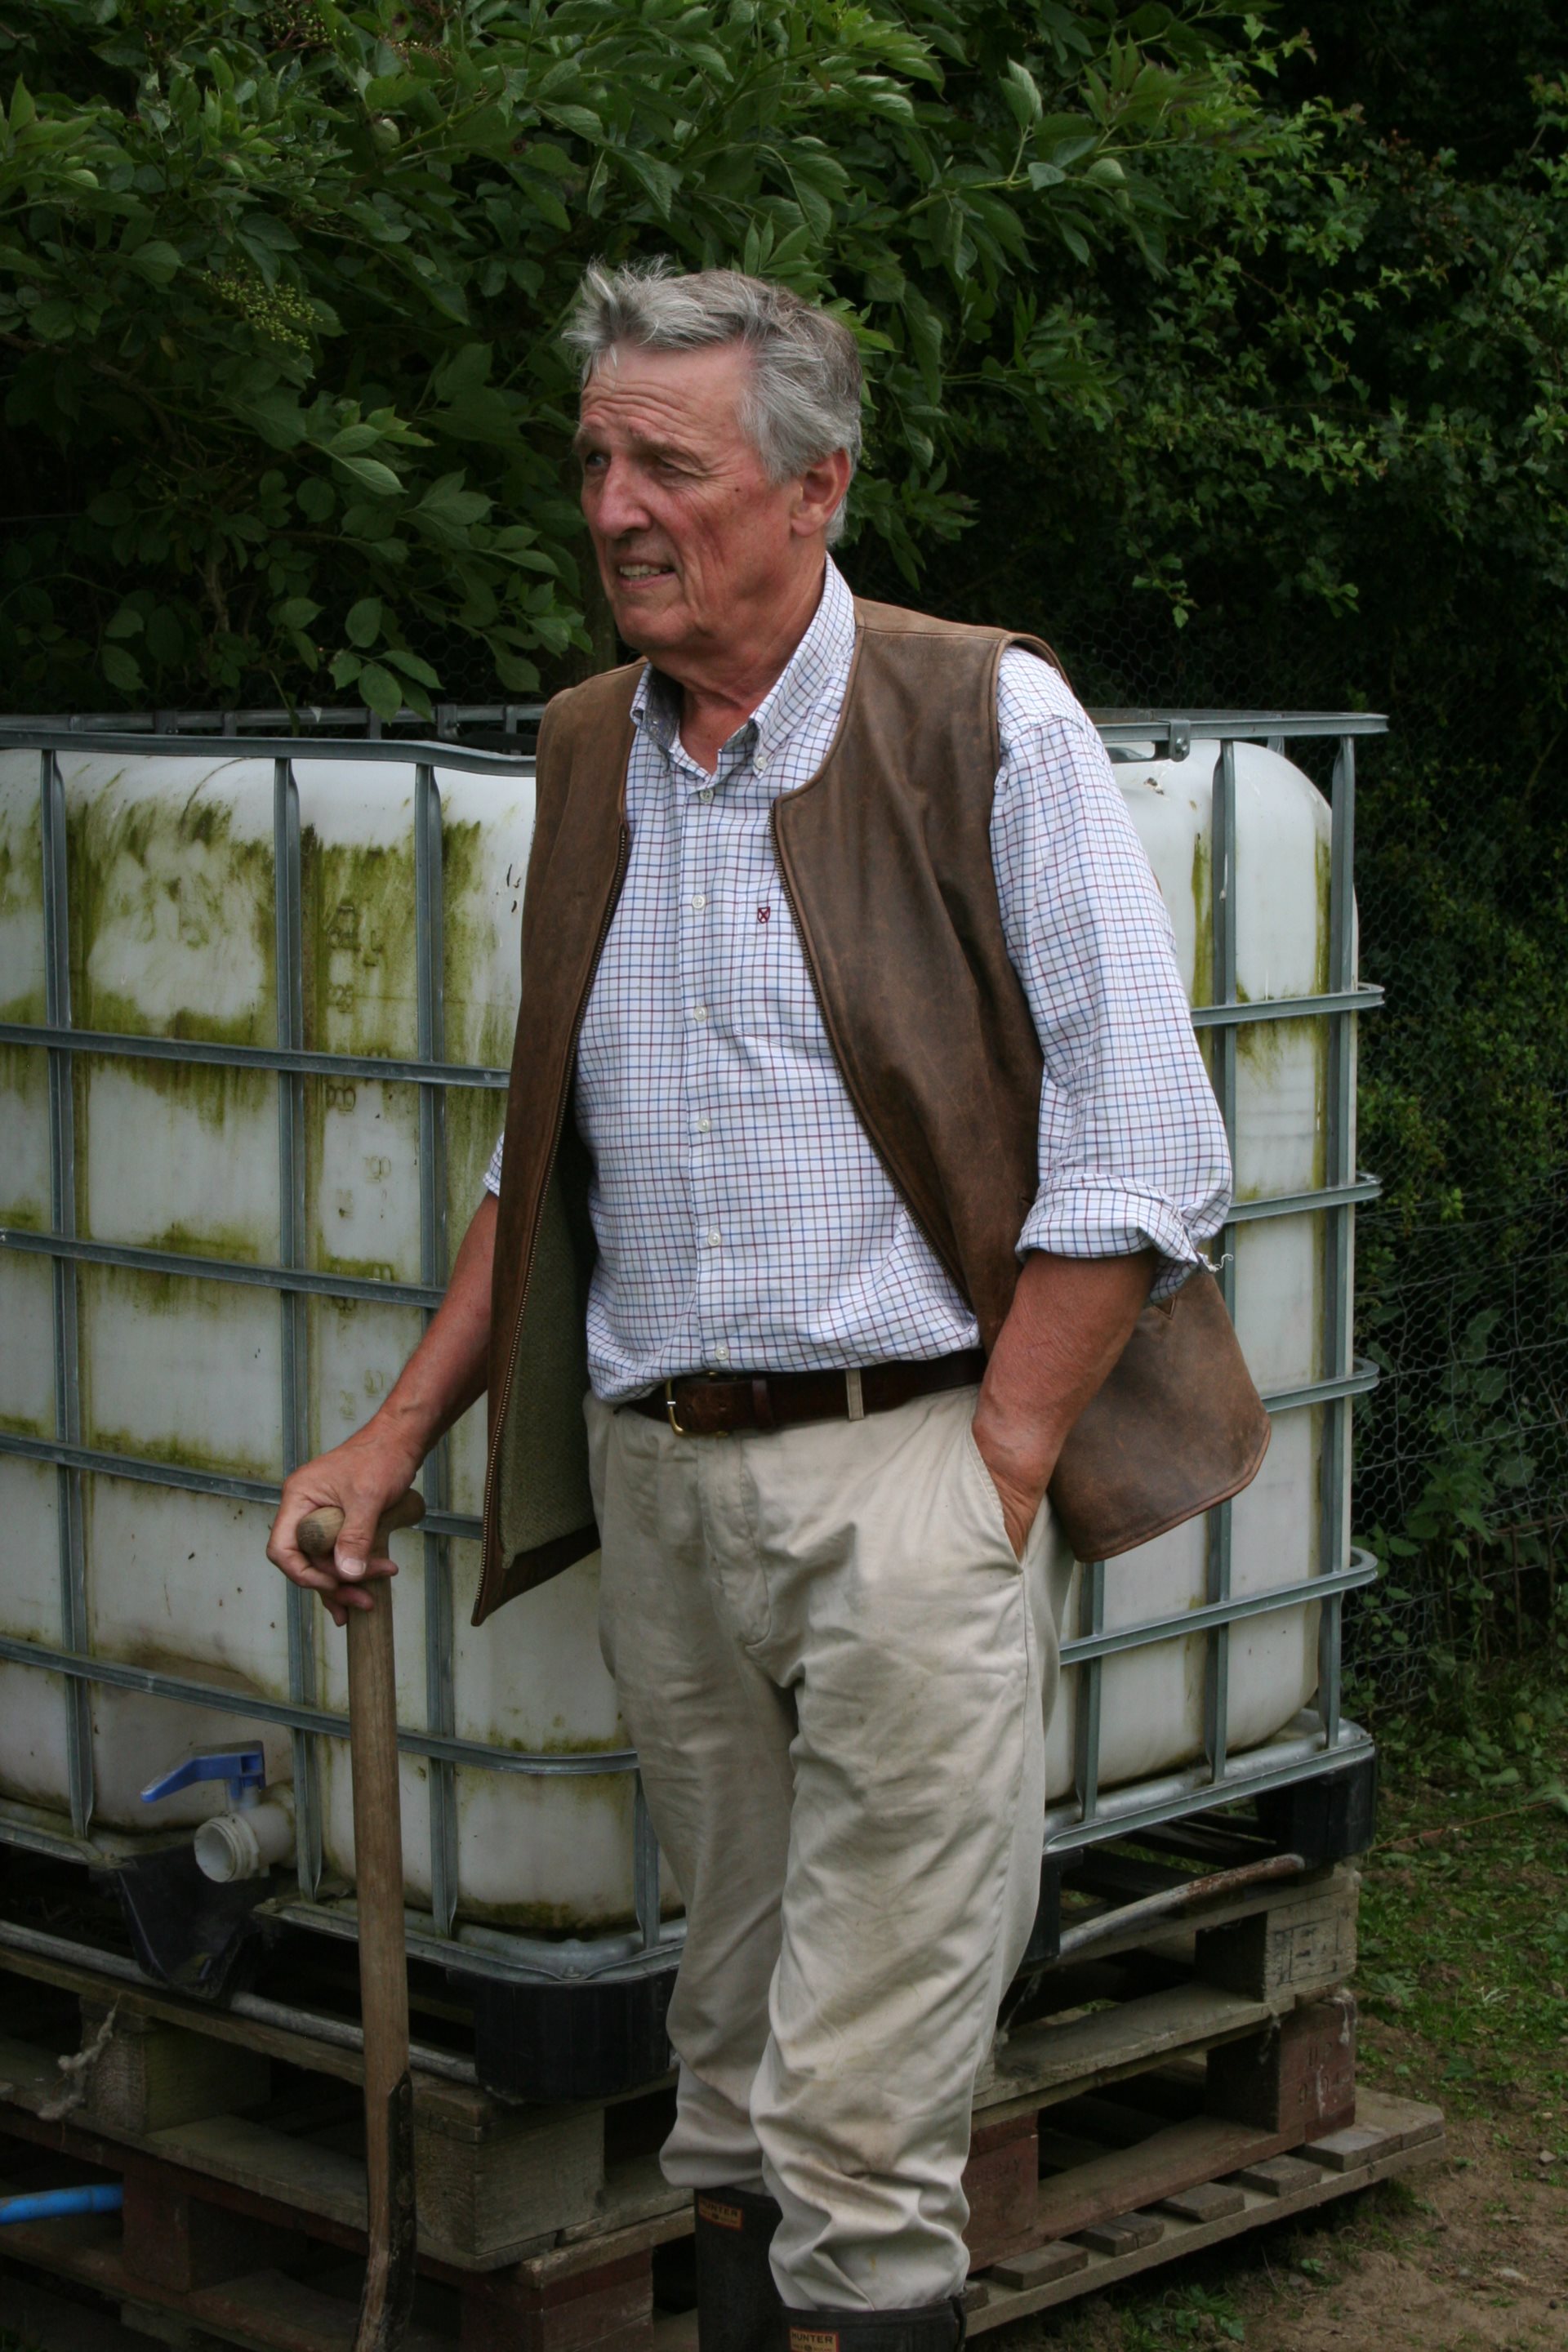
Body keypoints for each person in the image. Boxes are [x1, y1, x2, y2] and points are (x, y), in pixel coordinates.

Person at [269, 261, 1231, 2352]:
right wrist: (397, 1430)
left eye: (668, 464)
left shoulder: (982, 714)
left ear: (813, 489)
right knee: (729, 2076)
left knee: (864, 2125)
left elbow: (1149, 1141)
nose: (616, 503)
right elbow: (548, 1162)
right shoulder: (590, 748)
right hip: (667, 1497)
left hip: (908, 1476)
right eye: (596, 457)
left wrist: (1001, 1463)